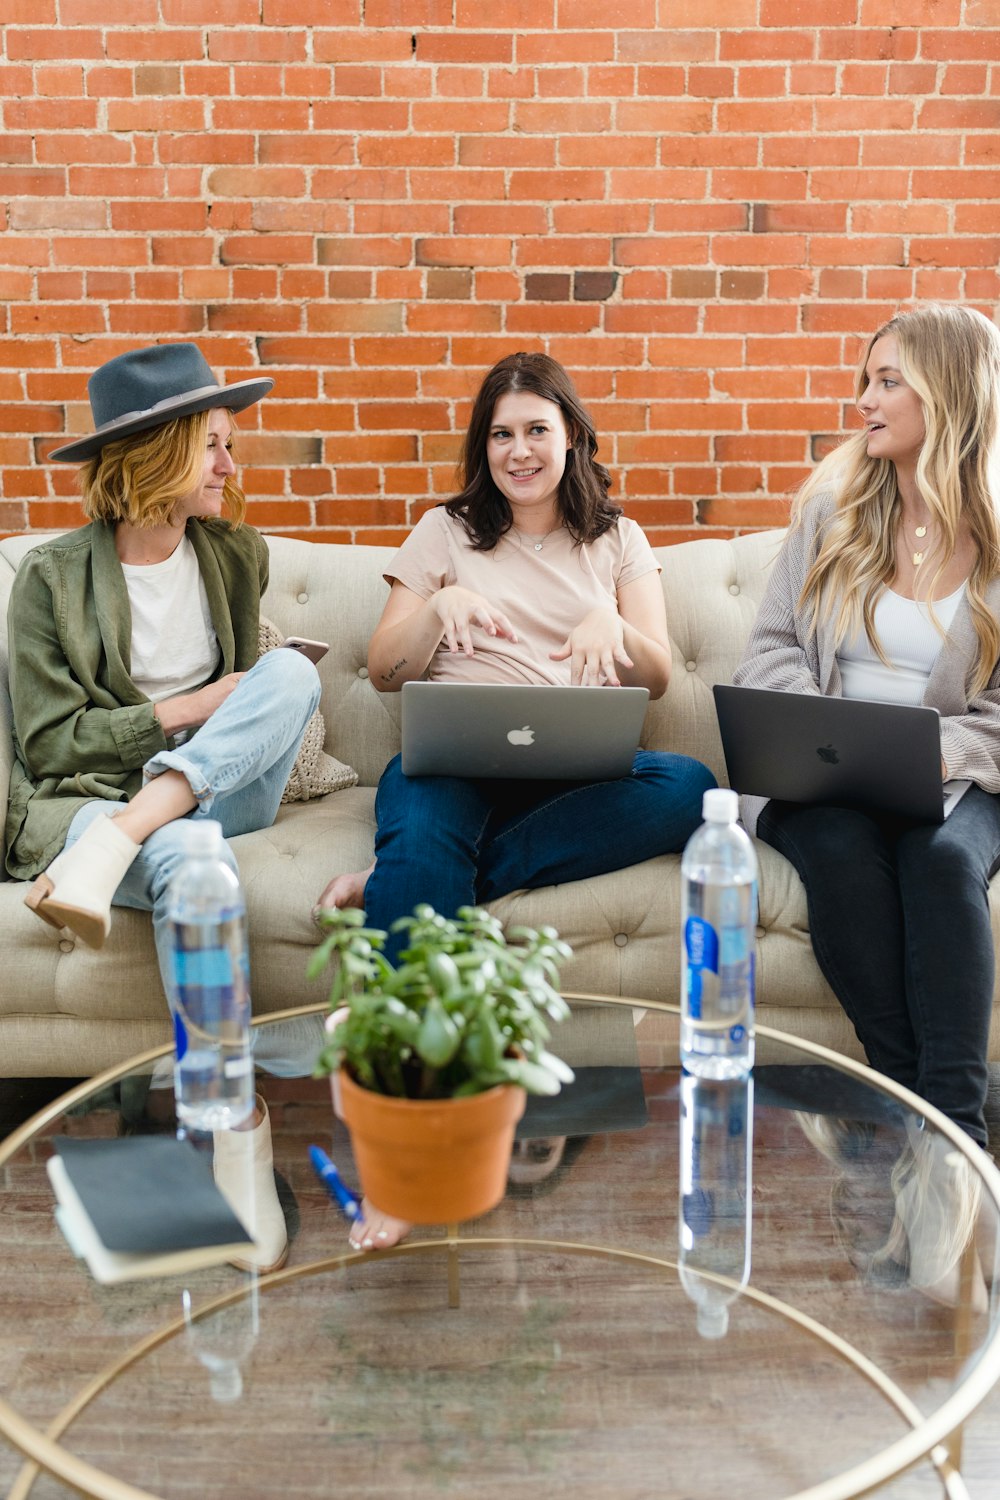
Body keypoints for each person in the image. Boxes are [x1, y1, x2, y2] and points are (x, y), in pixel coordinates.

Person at [318, 350, 716, 1249]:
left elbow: (654, 680)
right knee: (425, 829)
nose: (520, 449)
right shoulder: (444, 532)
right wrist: (435, 612)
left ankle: (407, 872)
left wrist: (617, 627)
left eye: (538, 429)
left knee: (688, 785)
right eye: (502, 434)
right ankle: (398, 1164)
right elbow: (383, 671)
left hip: (576, 762)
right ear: (484, 446)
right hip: (455, 757)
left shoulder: (618, 537)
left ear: (571, 436)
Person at [9, 341, 323, 1271]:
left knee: (285, 675)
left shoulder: (235, 555)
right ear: (161, 456)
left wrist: (226, 717)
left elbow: (261, 702)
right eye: (216, 446)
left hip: (201, 795)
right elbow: (48, 744)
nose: (233, 466)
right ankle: (234, 1141)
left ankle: (126, 838)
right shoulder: (52, 578)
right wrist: (182, 710)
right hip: (86, 800)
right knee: (195, 864)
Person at [734, 303, 1000, 1302]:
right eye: (866, 378)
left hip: (956, 777)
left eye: (889, 380)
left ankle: (947, 1145)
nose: (865, 398)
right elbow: (763, 653)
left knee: (939, 863)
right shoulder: (831, 512)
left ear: (950, 391)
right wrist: (835, 740)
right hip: (823, 774)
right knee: (842, 851)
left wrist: (933, 754)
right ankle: (931, 1138)